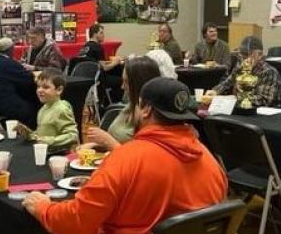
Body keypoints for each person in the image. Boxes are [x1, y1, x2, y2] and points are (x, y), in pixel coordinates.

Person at [22, 77, 228, 233]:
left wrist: (44, 207)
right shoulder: (209, 158)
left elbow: (75, 221)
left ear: (145, 110)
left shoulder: (126, 158)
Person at [84, 56, 161, 150]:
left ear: (139, 83)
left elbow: (140, 157)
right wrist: (96, 146)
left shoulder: (152, 118)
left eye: (126, 82)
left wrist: (107, 141)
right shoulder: (131, 106)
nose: (122, 87)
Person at [0, 37, 39, 128]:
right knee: (33, 107)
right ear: (11, 49)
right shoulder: (10, 64)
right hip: (5, 105)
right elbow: (29, 80)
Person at [205, 36, 281, 107]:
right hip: (240, 108)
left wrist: (233, 99)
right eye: (242, 55)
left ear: (260, 55)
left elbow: (265, 100)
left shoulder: (269, 72)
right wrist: (216, 91)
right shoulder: (240, 66)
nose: (244, 59)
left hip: (263, 115)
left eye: (248, 55)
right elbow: (228, 82)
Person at [15, 68, 79, 151]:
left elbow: (72, 136)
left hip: (58, 155)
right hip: (44, 152)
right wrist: (30, 135)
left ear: (59, 90)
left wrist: (47, 141)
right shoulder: (43, 109)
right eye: (38, 86)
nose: (40, 90)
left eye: (46, 87)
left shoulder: (61, 109)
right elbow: (42, 135)